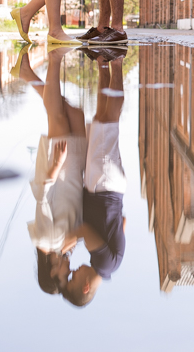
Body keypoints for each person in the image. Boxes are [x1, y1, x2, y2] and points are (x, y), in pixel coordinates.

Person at [15, 43, 88, 294]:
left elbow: (41, 200)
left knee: (56, 115)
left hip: (58, 170)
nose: (69, 272)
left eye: (63, 277)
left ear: (51, 272)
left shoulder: (44, 241)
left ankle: (54, 54)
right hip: (75, 172)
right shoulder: (63, 246)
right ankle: (28, 74)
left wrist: (56, 165)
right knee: (74, 113)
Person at [58, 49, 127, 307]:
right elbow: (86, 230)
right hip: (103, 186)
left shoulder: (111, 264)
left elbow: (123, 222)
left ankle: (104, 65)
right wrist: (70, 239)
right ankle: (117, 62)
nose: (74, 272)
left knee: (100, 118)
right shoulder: (102, 263)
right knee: (109, 120)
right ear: (86, 287)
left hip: (108, 188)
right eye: (74, 279)